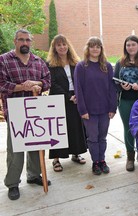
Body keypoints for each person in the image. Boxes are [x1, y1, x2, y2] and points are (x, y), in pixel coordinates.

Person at [0, 29, 51, 200]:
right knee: (16, 150)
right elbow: (2, 84)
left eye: (28, 40)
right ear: (15, 41)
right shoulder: (4, 60)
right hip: (16, 112)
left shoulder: (38, 61)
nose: (25, 43)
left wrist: (37, 84)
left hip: (36, 111)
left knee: (37, 145)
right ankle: (13, 183)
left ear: (31, 41)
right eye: (21, 40)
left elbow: (47, 81)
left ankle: (34, 175)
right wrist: (23, 86)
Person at [74, 37, 117, 175]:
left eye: (98, 46)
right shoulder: (81, 67)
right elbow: (78, 89)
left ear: (101, 49)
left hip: (105, 109)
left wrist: (112, 108)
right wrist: (82, 109)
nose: (95, 49)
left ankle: (102, 160)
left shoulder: (107, 66)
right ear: (88, 48)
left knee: (102, 137)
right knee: (93, 138)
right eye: (92, 46)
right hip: (89, 111)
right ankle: (95, 162)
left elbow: (112, 88)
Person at [46, 34, 87, 172]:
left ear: (68, 46)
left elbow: (81, 80)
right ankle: (56, 158)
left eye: (64, 44)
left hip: (75, 98)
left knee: (75, 127)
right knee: (58, 129)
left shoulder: (76, 62)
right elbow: (52, 83)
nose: (62, 47)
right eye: (59, 45)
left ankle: (76, 153)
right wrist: (67, 96)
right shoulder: (50, 64)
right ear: (54, 48)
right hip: (58, 99)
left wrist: (78, 95)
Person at [114, 35, 138, 171]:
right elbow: (114, 81)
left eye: (133, 44)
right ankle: (130, 157)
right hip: (125, 101)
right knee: (128, 129)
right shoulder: (119, 63)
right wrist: (122, 86)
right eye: (128, 45)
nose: (130, 47)